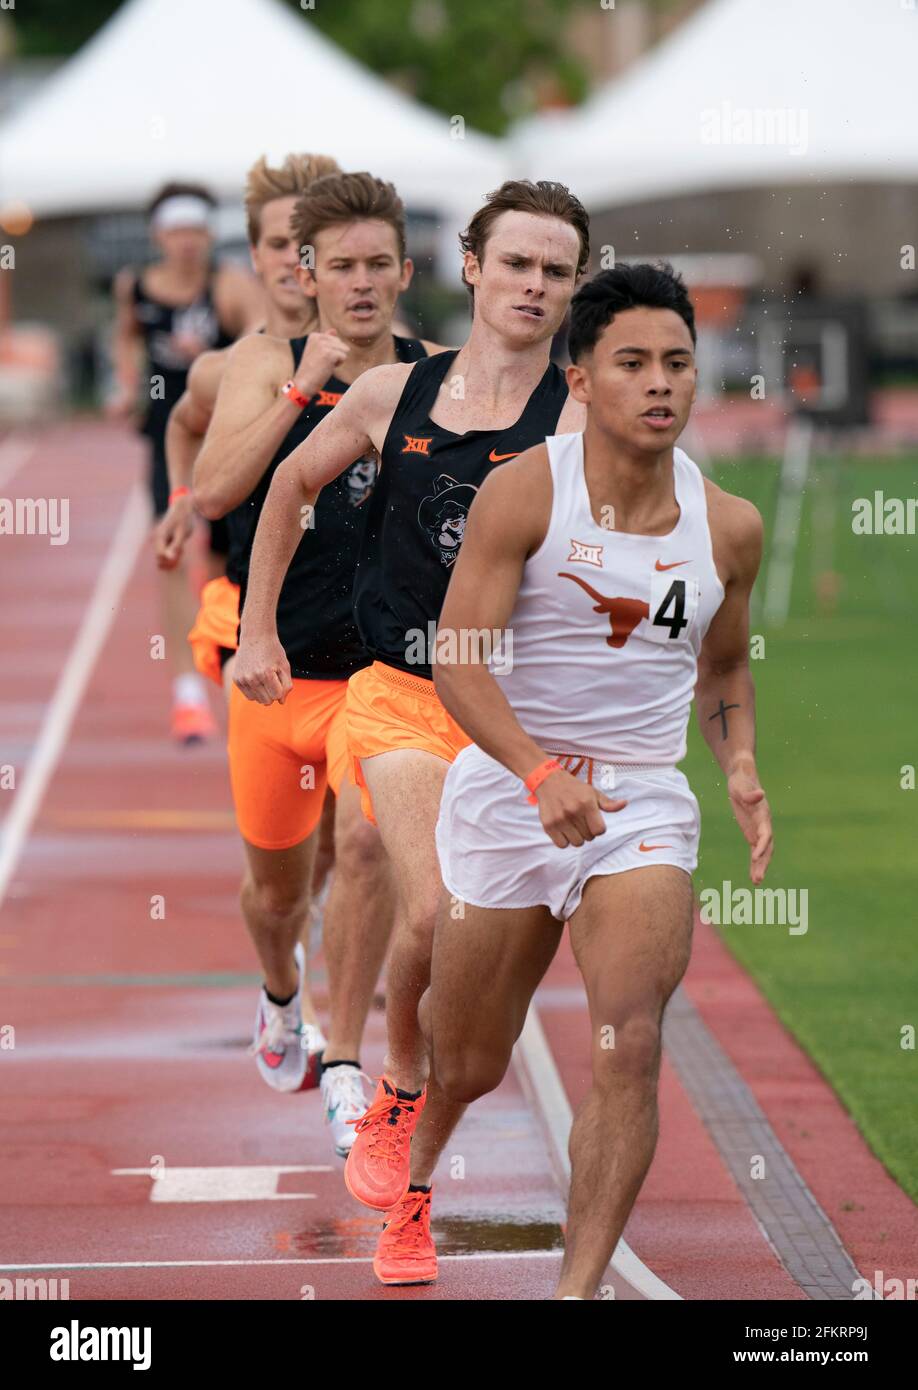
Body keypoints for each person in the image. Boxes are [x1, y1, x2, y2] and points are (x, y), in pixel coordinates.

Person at [233, 179, 590, 1283]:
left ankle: (420, 1168)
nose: (534, 285)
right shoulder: (393, 391)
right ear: (473, 268)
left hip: (521, 710)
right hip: (401, 694)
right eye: (517, 263)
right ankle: (390, 1089)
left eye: (557, 271)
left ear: (573, 288)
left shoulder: (580, 420)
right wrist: (255, 629)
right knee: (427, 910)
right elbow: (289, 484)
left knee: (482, 978)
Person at [428, 262, 774, 1299]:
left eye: (677, 361)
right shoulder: (527, 488)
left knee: (628, 1036)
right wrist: (536, 771)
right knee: (468, 1060)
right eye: (632, 362)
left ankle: (576, 1290)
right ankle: (413, 1164)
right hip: (508, 789)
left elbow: (722, 668)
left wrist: (742, 762)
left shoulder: (730, 526)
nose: (660, 382)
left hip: (639, 805)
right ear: (581, 379)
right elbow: (458, 656)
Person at [195, 170, 445, 1156]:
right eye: (342, 265)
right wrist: (307, 387)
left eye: (379, 264)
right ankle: (281, 991)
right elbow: (215, 491)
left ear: (406, 271)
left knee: (369, 846)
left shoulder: (437, 373)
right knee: (275, 893)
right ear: (309, 272)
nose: (362, 282)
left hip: (380, 678)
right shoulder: (267, 362)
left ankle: (347, 1060)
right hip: (274, 672)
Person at [153, 154, 340, 699]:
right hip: (259, 622)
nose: (293, 260)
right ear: (254, 255)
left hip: (357, 624)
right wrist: (181, 496)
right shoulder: (224, 367)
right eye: (279, 244)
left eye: (307, 245)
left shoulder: (381, 355)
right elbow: (183, 424)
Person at [110, 181, 263, 742]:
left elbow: (260, 335)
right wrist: (127, 384)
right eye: (177, 231)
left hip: (224, 439)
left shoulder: (227, 286)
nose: (188, 242)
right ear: (159, 235)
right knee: (170, 552)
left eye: (197, 230)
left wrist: (220, 360)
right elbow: (126, 337)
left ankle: (219, 660)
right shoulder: (137, 287)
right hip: (167, 439)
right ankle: (185, 691)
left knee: (225, 560)